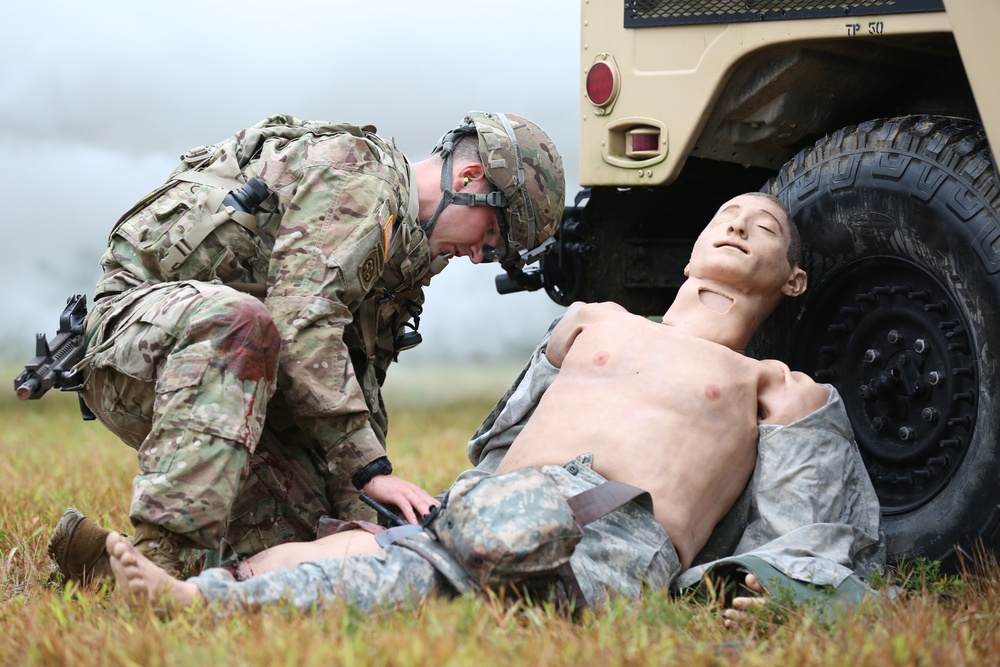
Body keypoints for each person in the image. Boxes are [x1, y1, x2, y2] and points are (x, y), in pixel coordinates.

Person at [104, 193, 883, 616]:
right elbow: (501, 440)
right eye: (725, 215)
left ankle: (193, 602)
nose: (741, 223)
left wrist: (776, 592)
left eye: (767, 225)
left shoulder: (778, 386)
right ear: (690, 251)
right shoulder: (590, 322)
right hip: (497, 505)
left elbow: (809, 527)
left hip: (609, 531)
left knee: (425, 585)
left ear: (794, 280)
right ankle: (213, 576)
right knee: (350, 548)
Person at [48, 112, 566, 586]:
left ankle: (100, 566)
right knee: (241, 321)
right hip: (138, 348)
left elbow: (352, 376)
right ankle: (159, 556)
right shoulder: (361, 178)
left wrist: (362, 509)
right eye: (494, 235)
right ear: (470, 179)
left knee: (317, 544)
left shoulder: (402, 255)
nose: (481, 257)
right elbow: (301, 324)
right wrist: (371, 471)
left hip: (236, 382)